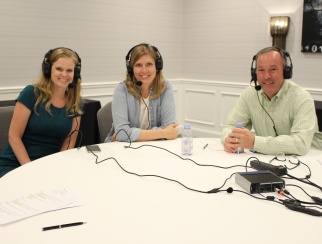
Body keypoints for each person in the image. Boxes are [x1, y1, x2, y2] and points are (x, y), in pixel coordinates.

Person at [221, 46, 322, 155]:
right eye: (261, 70)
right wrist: (230, 139)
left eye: (273, 69)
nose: (267, 76)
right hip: (267, 159)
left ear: (285, 71)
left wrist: (255, 142)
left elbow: (301, 144)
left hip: (307, 161)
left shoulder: (302, 98)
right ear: (255, 74)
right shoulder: (250, 94)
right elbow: (229, 126)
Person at [0, 47, 84, 177]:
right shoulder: (31, 93)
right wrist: (31, 170)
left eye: (69, 70)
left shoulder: (75, 102)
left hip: (47, 165)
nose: (64, 74)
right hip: (17, 164)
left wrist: (59, 169)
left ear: (76, 73)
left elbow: (69, 142)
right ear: (48, 69)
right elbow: (14, 136)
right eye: (59, 69)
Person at [105, 43, 178, 142]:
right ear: (131, 69)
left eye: (149, 64)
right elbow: (122, 133)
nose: (144, 70)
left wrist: (132, 135)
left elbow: (170, 127)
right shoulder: (122, 90)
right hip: (124, 148)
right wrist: (164, 133)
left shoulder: (165, 87)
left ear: (157, 67)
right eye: (138, 65)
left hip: (156, 147)